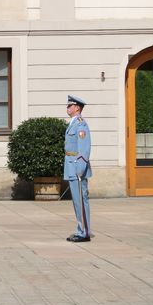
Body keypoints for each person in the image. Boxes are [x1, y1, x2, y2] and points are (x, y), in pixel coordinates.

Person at [64, 95, 92, 243]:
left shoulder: (81, 124)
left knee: (81, 200)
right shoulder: (73, 123)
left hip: (77, 167)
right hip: (71, 165)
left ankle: (84, 232)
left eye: (70, 106)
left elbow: (84, 148)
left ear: (77, 108)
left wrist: (80, 169)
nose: (67, 108)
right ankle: (81, 229)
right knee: (77, 200)